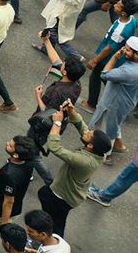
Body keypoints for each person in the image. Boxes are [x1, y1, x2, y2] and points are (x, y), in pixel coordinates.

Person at [36, 99, 110, 234]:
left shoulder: (84, 160)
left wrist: (57, 123)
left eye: (89, 135)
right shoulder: (99, 152)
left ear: (90, 146)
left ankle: (53, 243)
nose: (86, 132)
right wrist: (71, 111)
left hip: (63, 197)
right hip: (71, 194)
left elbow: (54, 147)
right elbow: (83, 128)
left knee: (55, 223)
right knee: (45, 197)